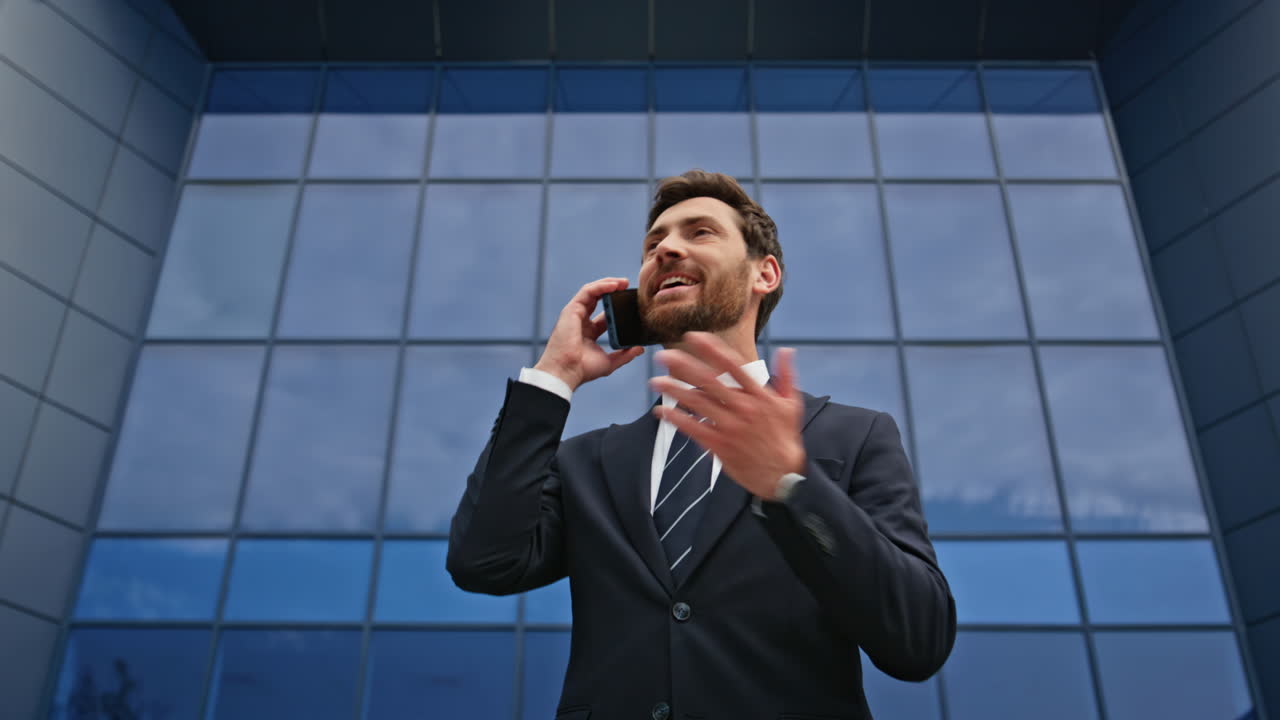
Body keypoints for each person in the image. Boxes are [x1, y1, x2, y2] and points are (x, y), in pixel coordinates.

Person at [448, 170, 955, 719]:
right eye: (653, 243)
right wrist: (554, 377)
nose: (666, 248)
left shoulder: (855, 436)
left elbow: (917, 640)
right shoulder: (588, 462)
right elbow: (484, 563)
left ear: (765, 273)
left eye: (700, 232)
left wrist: (792, 487)